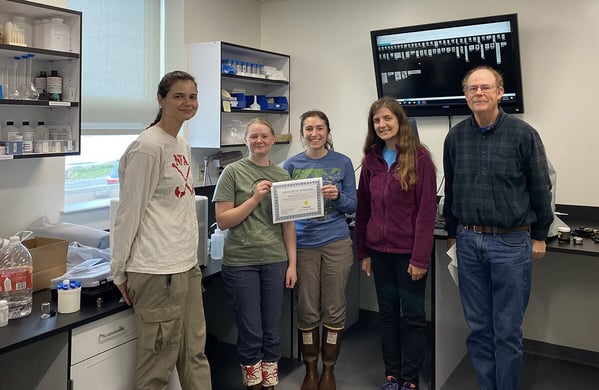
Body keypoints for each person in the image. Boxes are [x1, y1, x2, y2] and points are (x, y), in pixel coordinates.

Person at [443, 65, 554, 390]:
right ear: (465, 96)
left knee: (506, 331)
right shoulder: (456, 137)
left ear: (499, 93)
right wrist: (452, 233)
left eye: (485, 88)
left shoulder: (523, 134)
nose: (479, 93)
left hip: (511, 243)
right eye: (472, 88)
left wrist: (540, 234)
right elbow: (452, 189)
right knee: (478, 329)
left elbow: (540, 187)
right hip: (467, 239)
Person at [111, 70, 212, 389]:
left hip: (185, 266)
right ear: (161, 100)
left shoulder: (180, 142)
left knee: (195, 356)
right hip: (156, 270)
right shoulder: (147, 147)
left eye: (192, 96)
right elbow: (129, 213)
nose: (187, 103)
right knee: (158, 365)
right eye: (178, 96)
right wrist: (119, 271)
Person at [355, 97, 437, 390]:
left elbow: (427, 212)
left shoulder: (420, 158)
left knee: (413, 317)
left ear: (400, 121)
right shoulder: (370, 161)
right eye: (377, 120)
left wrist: (419, 258)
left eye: (387, 118)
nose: (382, 124)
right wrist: (363, 251)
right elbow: (363, 210)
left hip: (408, 254)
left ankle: (410, 379)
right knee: (387, 315)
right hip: (379, 253)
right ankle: (392, 375)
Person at [213, 117, 297, 390]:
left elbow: (288, 225)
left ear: (273, 140)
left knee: (272, 328)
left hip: (275, 260)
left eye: (264, 136)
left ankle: (270, 383)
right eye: (253, 136)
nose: (259, 141)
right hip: (241, 263)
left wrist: (292, 264)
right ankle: (253, 384)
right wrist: (254, 198)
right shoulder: (233, 173)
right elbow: (224, 220)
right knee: (250, 331)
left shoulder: (282, 175)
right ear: (246, 140)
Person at [281, 110, 357, 390]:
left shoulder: (343, 163)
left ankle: (329, 370)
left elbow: (353, 205)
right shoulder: (289, 165)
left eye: (320, 128)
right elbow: (282, 209)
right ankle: (310, 369)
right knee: (308, 310)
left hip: (336, 241)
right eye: (309, 129)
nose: (315, 134)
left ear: (328, 131)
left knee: (335, 308)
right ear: (302, 133)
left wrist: (338, 197)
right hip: (303, 245)